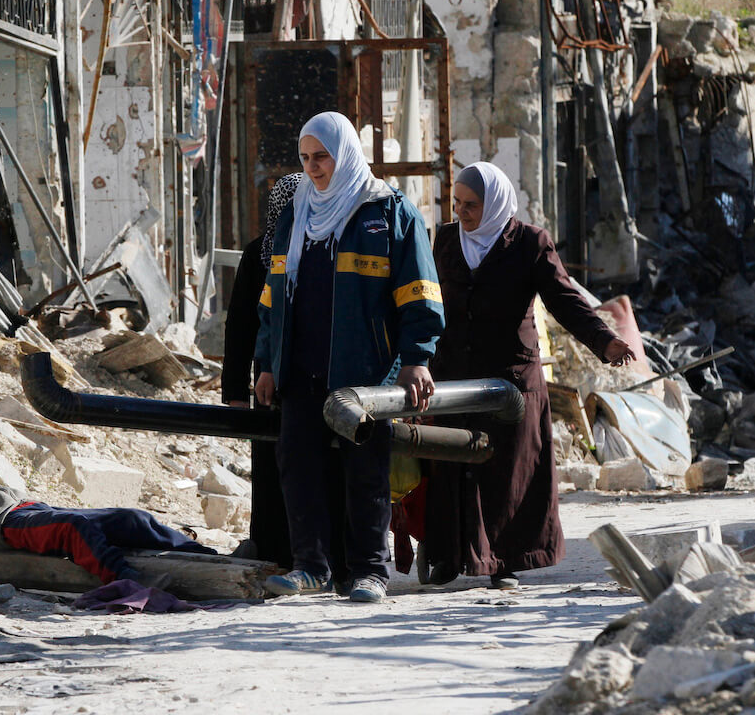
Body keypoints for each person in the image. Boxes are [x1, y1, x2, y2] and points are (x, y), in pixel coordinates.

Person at [254, 111, 445, 603]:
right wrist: (267, 362)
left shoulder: (388, 210)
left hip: (365, 373)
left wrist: (416, 359)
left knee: (366, 471)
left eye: (322, 156)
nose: (314, 167)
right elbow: (273, 297)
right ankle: (311, 567)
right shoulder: (298, 212)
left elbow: (418, 293)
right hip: (300, 367)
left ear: (346, 154)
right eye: (305, 158)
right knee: (299, 465)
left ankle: (369, 572)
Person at [421, 162, 635, 590]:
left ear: (495, 204)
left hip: (510, 376)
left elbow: (564, 299)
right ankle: (448, 556)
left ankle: (504, 561)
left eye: (472, 205)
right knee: (448, 466)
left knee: (506, 470)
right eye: (457, 203)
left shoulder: (529, 243)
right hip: (453, 373)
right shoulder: (443, 239)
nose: (461, 213)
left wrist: (604, 340)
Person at [0, 448, 215, 588]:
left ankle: (208, 557)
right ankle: (129, 582)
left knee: (131, 518)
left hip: (33, 508)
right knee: (73, 530)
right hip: (7, 527)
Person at [221, 173, 301, 566]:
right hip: (267, 376)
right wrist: (234, 392)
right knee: (269, 464)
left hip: (311, 374)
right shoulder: (257, 254)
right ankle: (270, 545)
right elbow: (239, 326)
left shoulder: (322, 249)